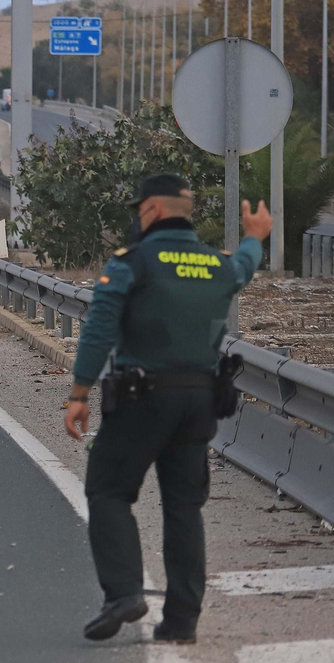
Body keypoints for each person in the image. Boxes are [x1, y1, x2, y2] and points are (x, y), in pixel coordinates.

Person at [67, 173, 273, 644]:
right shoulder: (216, 265)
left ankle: (123, 594)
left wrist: (79, 394)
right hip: (200, 402)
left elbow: (100, 328)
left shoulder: (131, 262)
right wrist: (255, 236)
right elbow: (243, 266)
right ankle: (181, 622)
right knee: (184, 507)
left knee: (109, 491)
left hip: (142, 399)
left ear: (152, 211)